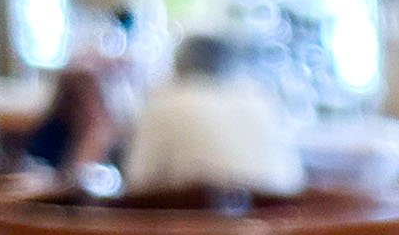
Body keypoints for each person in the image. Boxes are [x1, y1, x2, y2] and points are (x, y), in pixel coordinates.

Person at [122, 35, 305, 198]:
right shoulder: (264, 104)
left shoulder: (165, 104)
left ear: (177, 65)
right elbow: (294, 180)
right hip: (277, 223)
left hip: (194, 222)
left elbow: (138, 183)